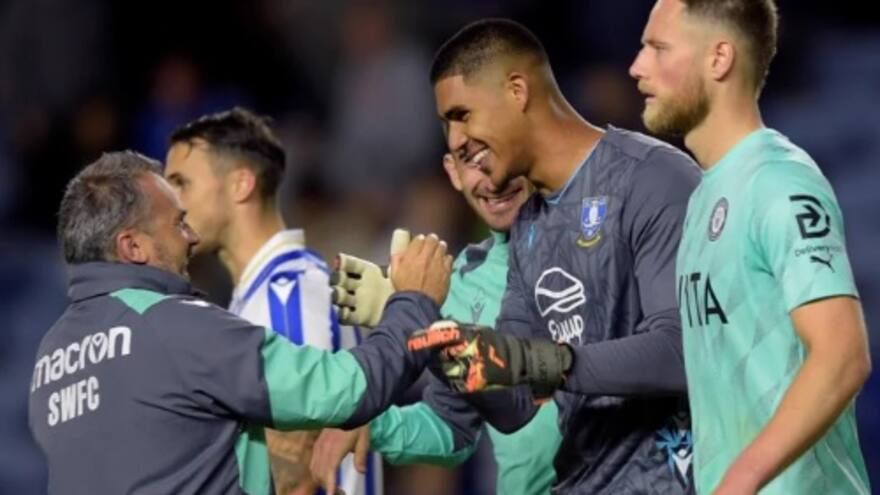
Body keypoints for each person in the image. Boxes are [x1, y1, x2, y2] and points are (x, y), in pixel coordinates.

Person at [335, 18, 701, 494]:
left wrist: (538, 361)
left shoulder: (652, 178)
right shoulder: (530, 227)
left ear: (516, 90)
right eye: (447, 125)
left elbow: (681, 352)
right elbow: (514, 408)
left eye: (462, 114)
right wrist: (434, 338)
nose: (455, 140)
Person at [27, 151, 452, 494]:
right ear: (133, 246)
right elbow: (345, 389)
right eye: (177, 223)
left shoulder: (49, 358)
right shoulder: (175, 326)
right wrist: (413, 303)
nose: (191, 237)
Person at [629, 1, 871, 493]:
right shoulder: (703, 198)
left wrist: (737, 482)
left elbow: (843, 355)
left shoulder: (780, 181)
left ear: (719, 59)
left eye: (658, 48)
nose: (636, 67)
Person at [311, 152, 561, 495]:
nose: (492, 175)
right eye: (470, 158)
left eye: (497, 150)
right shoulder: (461, 281)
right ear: (453, 172)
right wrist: (372, 423)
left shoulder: (603, 237)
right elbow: (453, 426)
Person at [164, 107, 381, 495]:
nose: (171, 205)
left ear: (240, 185)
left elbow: (296, 471)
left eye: (181, 184)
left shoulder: (287, 296)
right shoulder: (266, 295)